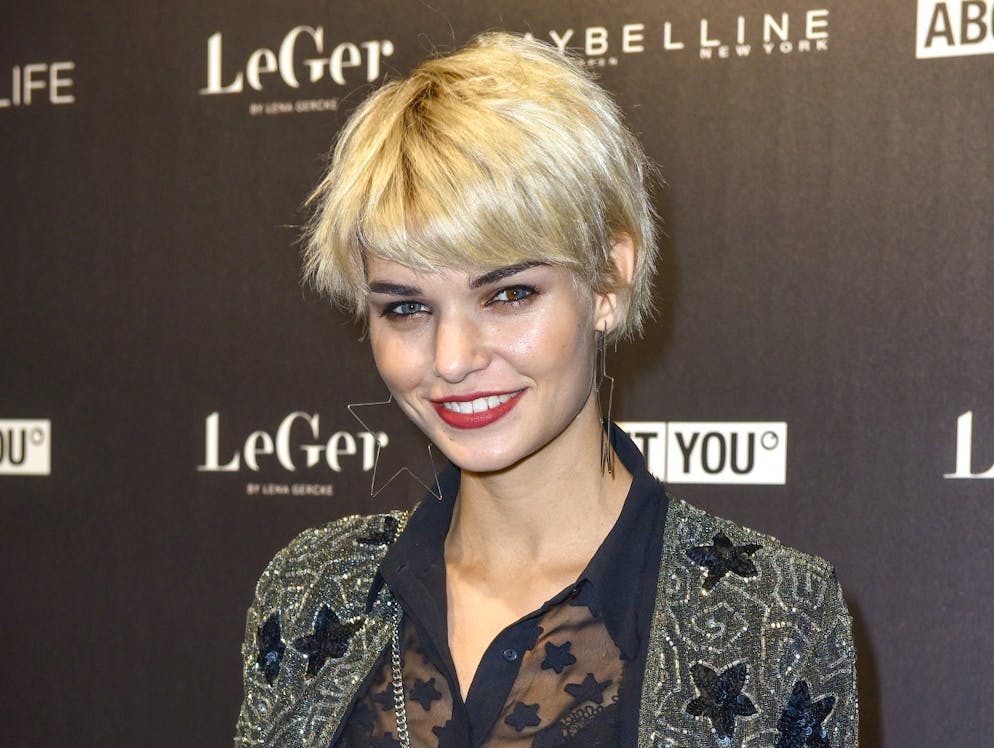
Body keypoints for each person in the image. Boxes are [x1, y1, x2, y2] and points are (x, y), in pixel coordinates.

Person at [234, 32, 857, 747]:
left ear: (608, 281)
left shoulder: (773, 615)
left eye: (508, 295)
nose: (453, 358)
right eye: (406, 307)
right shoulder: (314, 590)